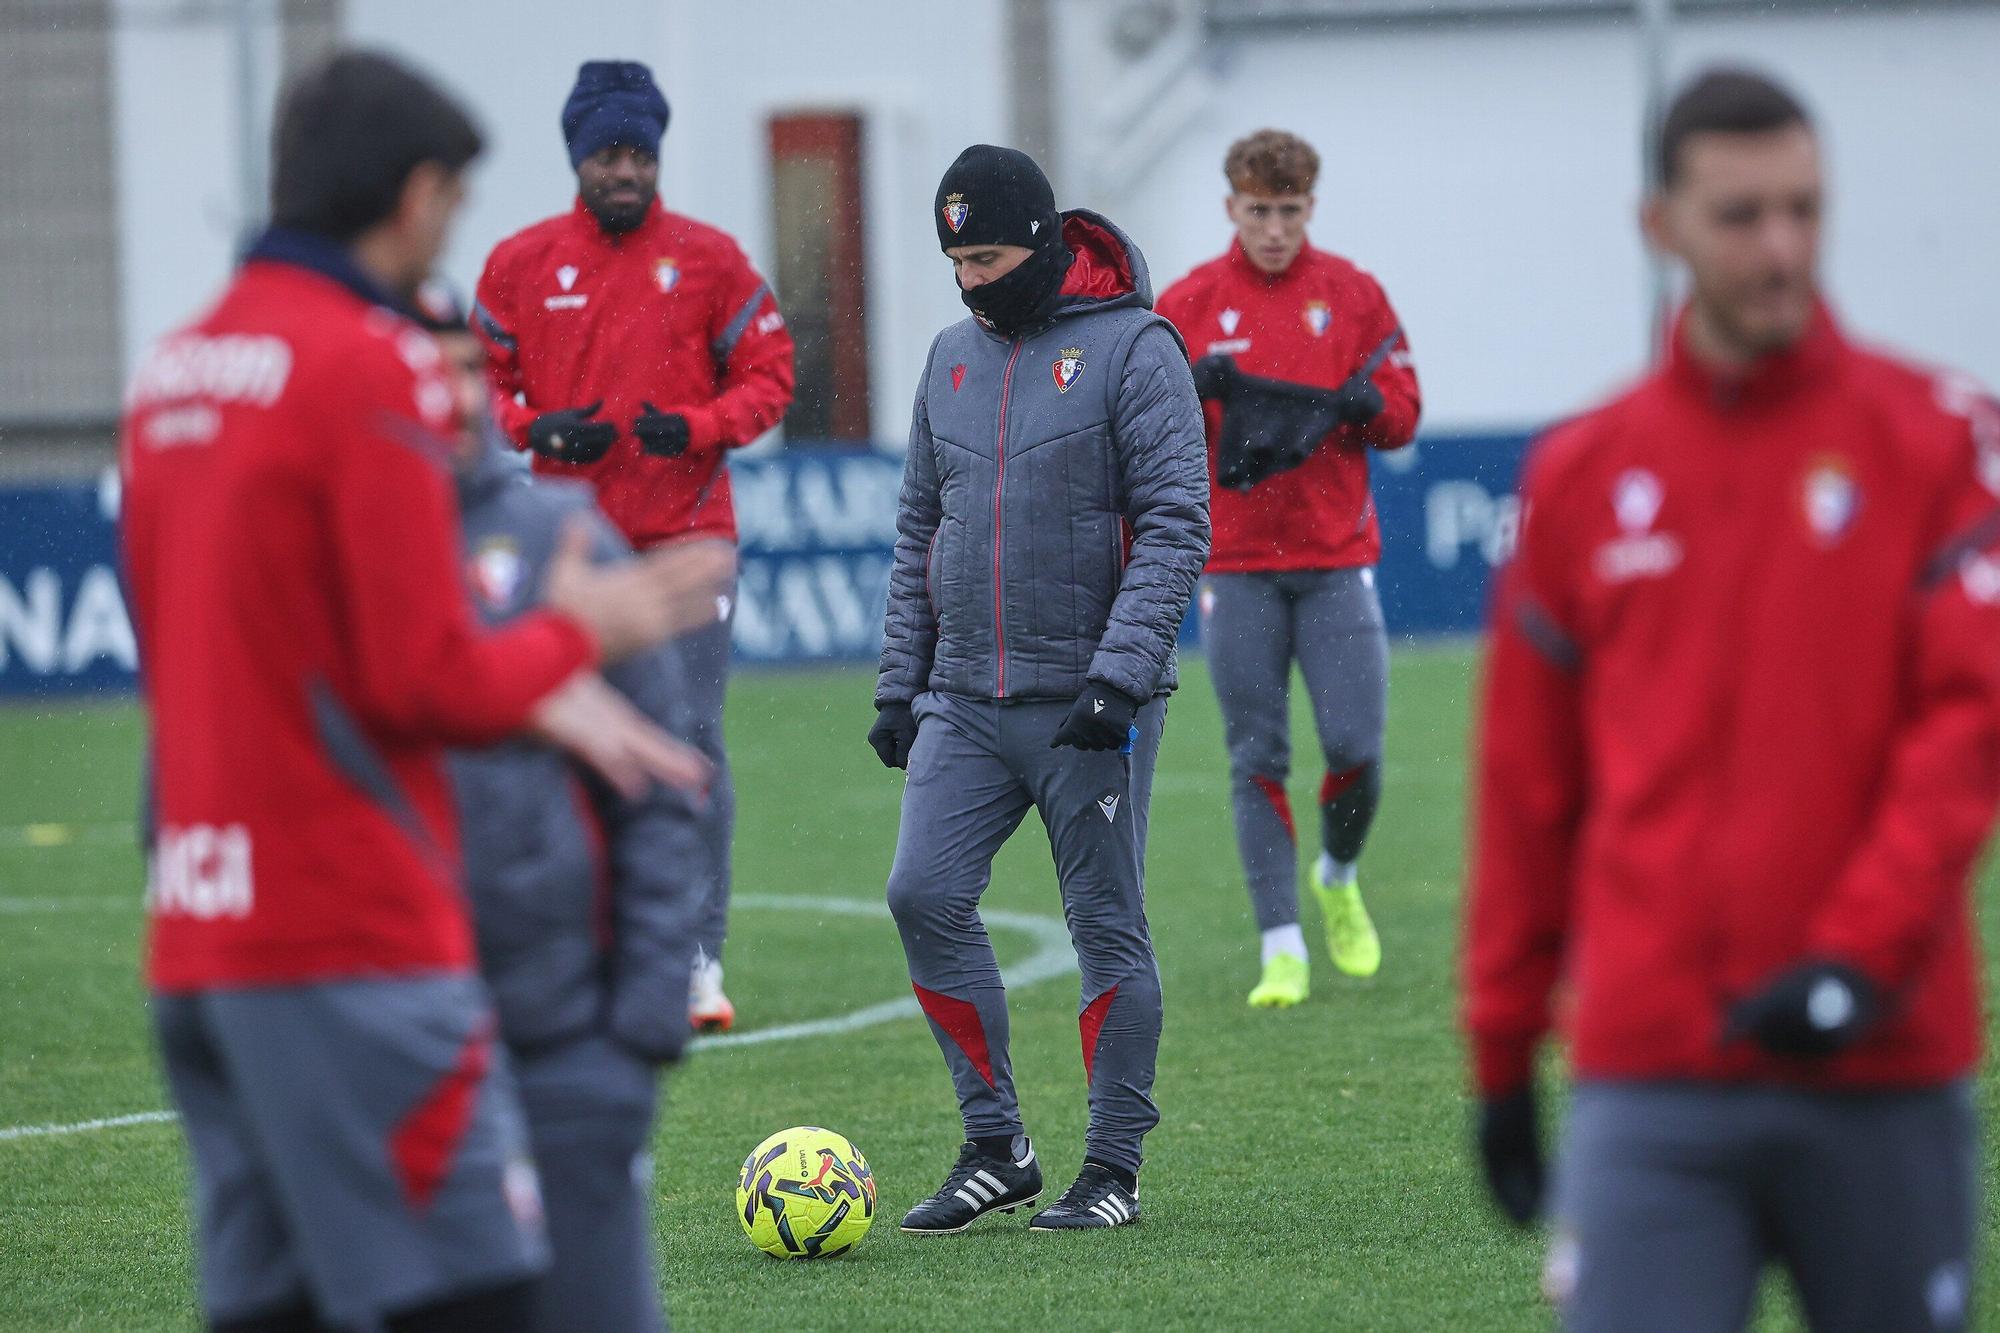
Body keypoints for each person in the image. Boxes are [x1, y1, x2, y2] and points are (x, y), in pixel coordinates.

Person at [123, 52, 727, 1333]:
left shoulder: (178, 369)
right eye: (449, 208)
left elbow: (253, 665)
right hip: (355, 941)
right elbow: (427, 677)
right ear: (414, 194)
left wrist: (523, 690)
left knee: (278, 1306)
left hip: (200, 938)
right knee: (497, 1299)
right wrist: (570, 641)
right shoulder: (363, 366)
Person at [1462, 68, 2000, 1333]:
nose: (1780, 249)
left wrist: (1854, 962)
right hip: (1653, 1070)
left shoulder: (1936, 439)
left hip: (1880, 1064)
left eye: (1803, 211)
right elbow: (1526, 795)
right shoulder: (1583, 475)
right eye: (1741, 214)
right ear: (1661, 227)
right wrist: (1499, 1054)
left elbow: (1967, 727)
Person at [870, 145, 1209, 1234]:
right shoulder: (944, 362)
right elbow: (920, 527)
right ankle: (994, 1144)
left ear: (1042, 241)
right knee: (921, 893)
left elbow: (1174, 521)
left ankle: (1110, 1169)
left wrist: (1118, 676)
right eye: (954, 260)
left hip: (1088, 705)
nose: (969, 279)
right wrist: (897, 685)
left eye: (985, 256)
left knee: (1104, 926)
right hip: (963, 699)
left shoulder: (1134, 349)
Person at [473, 60, 796, 1033]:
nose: (625, 170)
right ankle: (576, 946)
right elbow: (474, 383)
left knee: (689, 741)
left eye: (639, 154)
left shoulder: (711, 259)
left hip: (687, 544)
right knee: (562, 742)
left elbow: (772, 374)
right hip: (566, 548)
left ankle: (697, 958)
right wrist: (533, 428)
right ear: (579, 158)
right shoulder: (520, 263)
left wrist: (698, 426)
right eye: (608, 153)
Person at [422, 286, 709, 1333]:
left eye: (466, 368)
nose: (449, 395)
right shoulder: (335, 544)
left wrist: (633, 1029)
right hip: (389, 1040)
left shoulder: (560, 536)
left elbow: (660, 792)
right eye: (425, 368)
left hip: (560, 1039)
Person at [1157, 129, 1421, 1009]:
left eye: (1290, 211)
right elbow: (1143, 418)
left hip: (1336, 560)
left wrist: (1371, 404)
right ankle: (1281, 947)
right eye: (1259, 211)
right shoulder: (1191, 301)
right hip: (1233, 565)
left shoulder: (1353, 295)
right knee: (1255, 754)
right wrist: (1188, 384)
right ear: (1232, 207)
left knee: (1357, 748)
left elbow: (1406, 411)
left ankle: (1337, 874)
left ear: (1312, 207)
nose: (1274, 228)